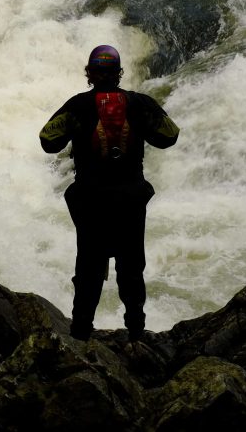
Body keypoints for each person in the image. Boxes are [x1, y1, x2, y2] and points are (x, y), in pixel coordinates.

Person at [39, 45, 179, 342]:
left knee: (89, 267)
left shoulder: (77, 105)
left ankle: (80, 333)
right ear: (119, 74)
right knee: (131, 267)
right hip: (131, 198)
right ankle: (137, 333)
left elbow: (48, 139)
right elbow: (169, 135)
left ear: (89, 74)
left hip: (91, 200)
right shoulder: (140, 104)